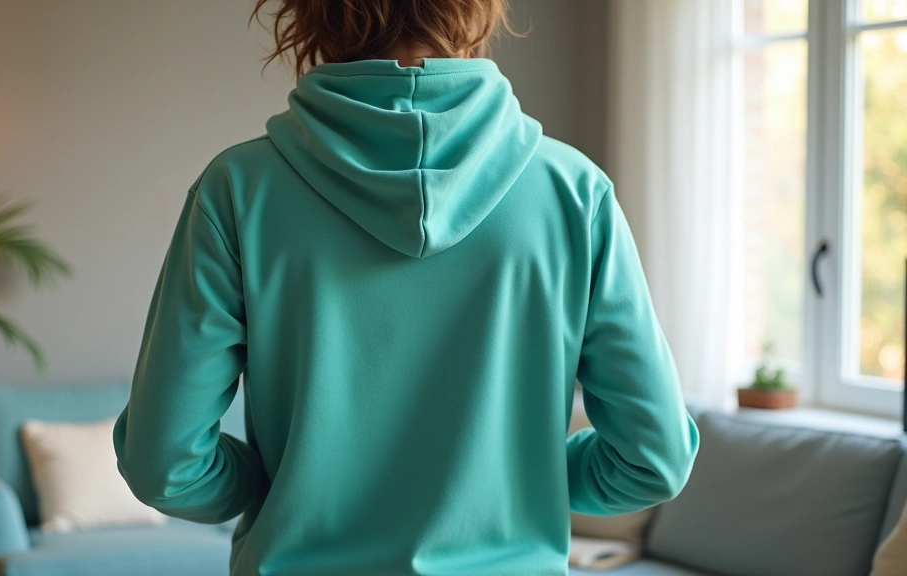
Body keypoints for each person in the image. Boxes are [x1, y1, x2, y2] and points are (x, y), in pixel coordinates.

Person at [112, 1, 700, 574]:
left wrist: (270, 480)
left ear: (314, 18)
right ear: (475, 15)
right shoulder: (574, 192)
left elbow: (165, 464)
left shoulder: (239, 190)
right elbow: (653, 460)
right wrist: (520, 476)